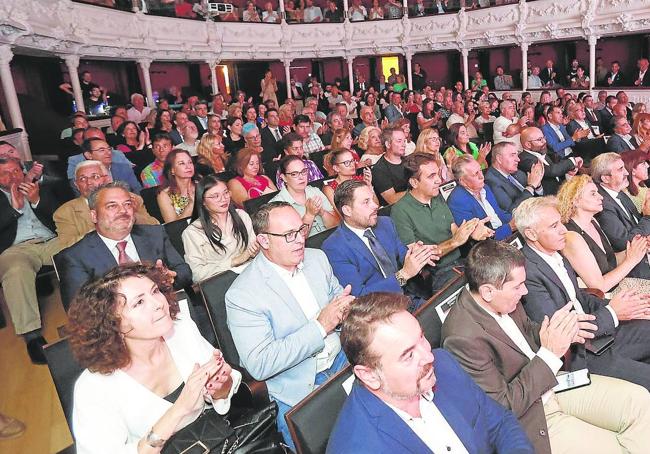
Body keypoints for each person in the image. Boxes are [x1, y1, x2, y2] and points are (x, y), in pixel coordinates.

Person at [442, 240, 650, 454]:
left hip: (554, 384)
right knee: (616, 447)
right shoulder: (462, 338)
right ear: (487, 291)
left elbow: (529, 329)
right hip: (534, 414)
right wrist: (550, 355)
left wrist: (563, 330)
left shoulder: (501, 297)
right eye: (517, 286)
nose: (524, 292)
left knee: (641, 401)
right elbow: (503, 406)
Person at [328, 291, 534, 454]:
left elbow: (500, 423)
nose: (428, 357)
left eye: (422, 338)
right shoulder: (357, 447)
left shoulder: (444, 364)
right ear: (369, 375)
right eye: (408, 356)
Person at [69, 262, 241, 453]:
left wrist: (220, 388)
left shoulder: (181, 329)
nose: (159, 304)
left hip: (216, 440)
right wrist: (178, 411)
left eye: (155, 291)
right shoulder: (94, 387)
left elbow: (224, 386)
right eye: (139, 302)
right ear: (112, 324)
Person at [225, 202, 354, 449]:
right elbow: (260, 363)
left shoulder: (317, 259)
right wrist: (320, 326)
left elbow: (339, 300)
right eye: (288, 235)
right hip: (297, 384)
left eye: (301, 231)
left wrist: (347, 309)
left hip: (342, 359)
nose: (299, 240)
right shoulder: (242, 294)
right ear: (263, 241)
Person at [513, 196, 650, 390]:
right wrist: (612, 313)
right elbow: (563, 331)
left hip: (599, 334)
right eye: (554, 226)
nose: (563, 229)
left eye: (560, 222)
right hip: (582, 354)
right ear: (531, 234)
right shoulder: (527, 273)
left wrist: (628, 305)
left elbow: (579, 298)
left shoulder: (554, 253)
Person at [56, 182, 192, 309]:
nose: (123, 211)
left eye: (127, 204)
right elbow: (78, 309)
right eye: (112, 206)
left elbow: (184, 271)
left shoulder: (154, 234)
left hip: (164, 309)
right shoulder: (75, 256)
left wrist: (170, 278)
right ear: (94, 215)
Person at [323, 179, 440, 307]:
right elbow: (359, 297)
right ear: (347, 210)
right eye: (366, 202)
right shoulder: (334, 247)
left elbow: (403, 256)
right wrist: (403, 275)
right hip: (376, 311)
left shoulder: (385, 223)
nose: (375, 205)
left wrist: (418, 255)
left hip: (408, 297)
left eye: (372, 199)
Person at [391, 153, 493, 287]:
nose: (439, 180)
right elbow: (419, 257)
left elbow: (454, 230)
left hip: (462, 261)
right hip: (437, 273)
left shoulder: (436, 197)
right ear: (414, 182)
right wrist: (454, 242)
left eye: (438, 174)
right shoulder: (400, 211)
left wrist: (471, 231)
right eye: (431, 176)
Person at [0, 157, 63, 364]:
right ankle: (32, 336)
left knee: (77, 250)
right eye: (4, 173)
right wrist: (14, 210)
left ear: (23, 170)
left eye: (15, 171)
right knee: (16, 271)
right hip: (15, 249)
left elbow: (60, 217)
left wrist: (37, 201)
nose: (12, 177)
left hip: (50, 241)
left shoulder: (39, 187)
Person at [557, 174, 650, 294]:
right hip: (603, 298)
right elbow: (599, 287)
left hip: (619, 286)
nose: (601, 197)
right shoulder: (571, 237)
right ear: (575, 200)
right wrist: (631, 261)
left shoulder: (593, 222)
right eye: (593, 194)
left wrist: (639, 247)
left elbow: (610, 260)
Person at [55, 160, 158, 249]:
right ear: (76, 185)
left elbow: (155, 227)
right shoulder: (65, 212)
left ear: (107, 179)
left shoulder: (130, 199)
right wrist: (104, 228)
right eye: (82, 179)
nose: (89, 182)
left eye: (95, 176)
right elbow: (66, 246)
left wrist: (133, 214)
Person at [183, 175, 257, 282]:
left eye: (226, 193)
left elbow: (252, 249)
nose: (223, 199)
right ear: (203, 201)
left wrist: (256, 250)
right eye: (215, 196)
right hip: (221, 283)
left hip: (251, 274)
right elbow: (197, 274)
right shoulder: (193, 232)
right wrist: (234, 261)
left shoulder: (241, 216)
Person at [447, 155, 515, 240]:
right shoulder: (457, 201)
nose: (481, 176)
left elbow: (498, 213)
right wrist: (510, 227)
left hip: (505, 233)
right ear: (463, 181)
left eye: (480, 170)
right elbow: (478, 237)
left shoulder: (485, 187)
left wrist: (517, 218)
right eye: (476, 174)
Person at [271, 155, 339, 237]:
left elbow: (337, 224)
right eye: (294, 174)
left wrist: (323, 212)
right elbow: (294, 240)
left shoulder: (315, 191)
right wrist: (309, 215)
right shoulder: (277, 205)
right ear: (283, 177)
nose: (301, 177)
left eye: (303, 171)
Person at [519, 127, 581, 195]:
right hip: (549, 197)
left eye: (544, 137)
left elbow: (558, 165)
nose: (544, 141)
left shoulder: (541, 150)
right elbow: (552, 171)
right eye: (539, 139)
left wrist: (569, 171)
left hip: (561, 188)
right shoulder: (524, 159)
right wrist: (572, 160)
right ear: (528, 144)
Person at [485, 142, 544, 213]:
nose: (518, 159)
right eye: (512, 155)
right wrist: (531, 187)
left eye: (517, 155)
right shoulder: (491, 181)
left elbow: (536, 195)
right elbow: (511, 211)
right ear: (499, 159)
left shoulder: (518, 173)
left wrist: (537, 185)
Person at [76, 138, 142, 195]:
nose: (108, 153)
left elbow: (137, 190)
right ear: (88, 155)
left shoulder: (124, 168)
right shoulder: (82, 176)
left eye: (109, 149)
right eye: (102, 150)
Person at [372, 127, 409, 205]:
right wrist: (417, 190)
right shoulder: (379, 169)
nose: (404, 145)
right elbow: (391, 199)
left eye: (404, 141)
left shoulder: (408, 161)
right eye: (399, 141)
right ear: (388, 144)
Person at [156, 149, 196, 223]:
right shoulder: (164, 194)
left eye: (190, 162)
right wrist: (192, 204)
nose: (188, 166)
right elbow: (174, 227)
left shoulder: (202, 185)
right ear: (172, 170)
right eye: (181, 163)